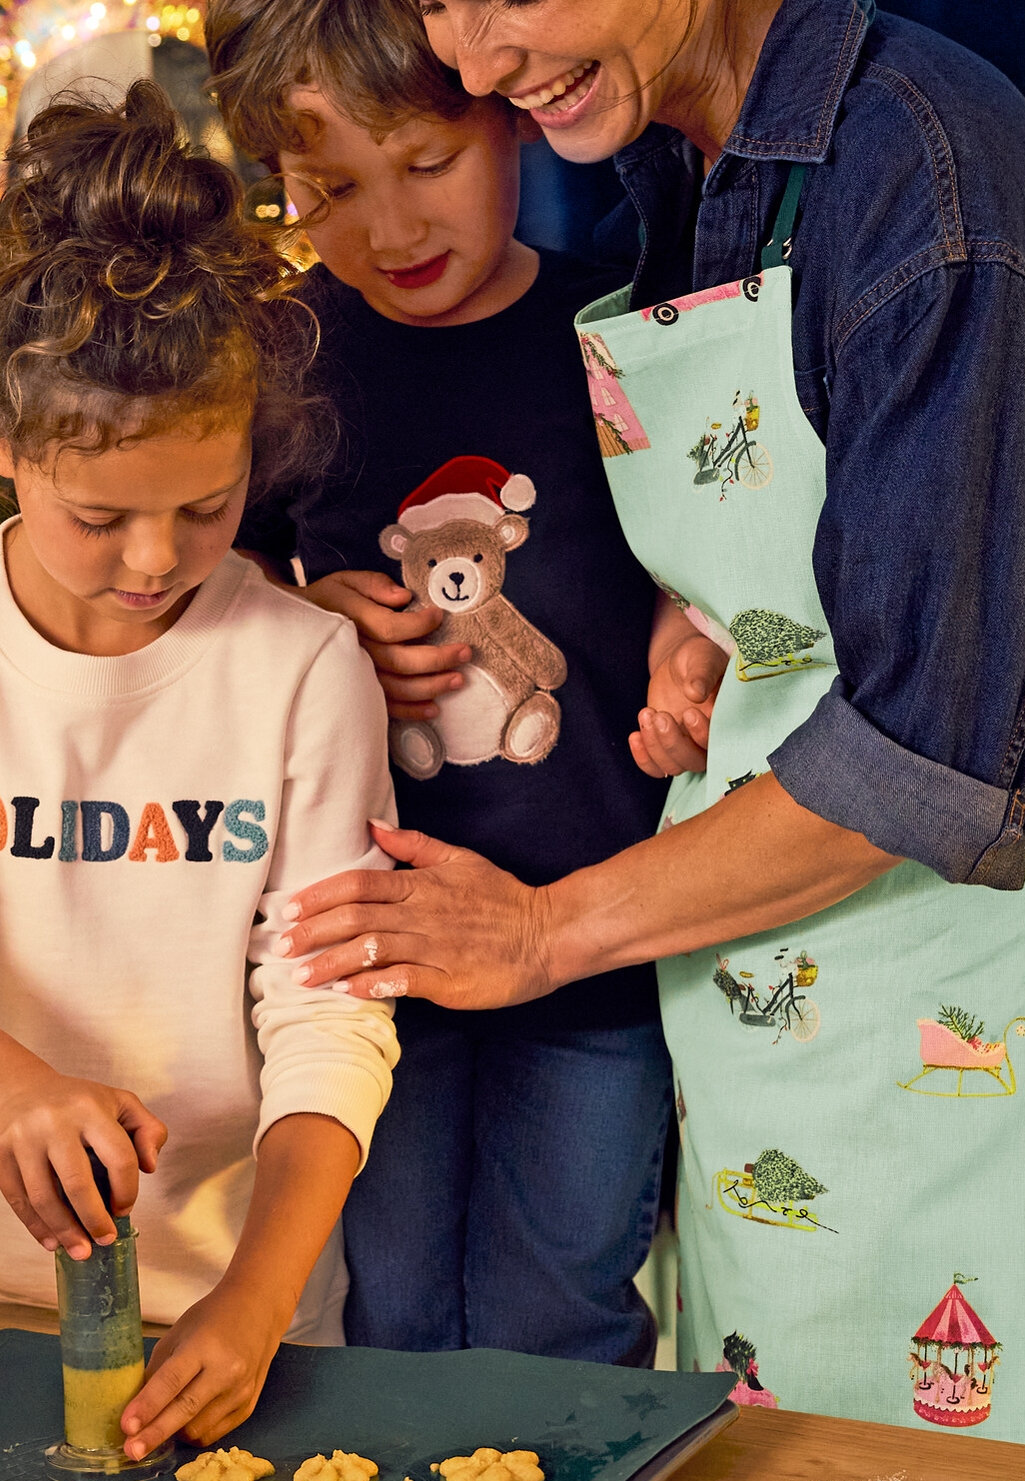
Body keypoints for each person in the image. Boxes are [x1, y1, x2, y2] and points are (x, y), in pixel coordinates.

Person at [281, 0, 1025, 1449]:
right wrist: (702, 619)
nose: (477, 58)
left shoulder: (920, 192)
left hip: (933, 1022)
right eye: (445, 5)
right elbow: (804, 567)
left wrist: (541, 934)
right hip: (752, 1013)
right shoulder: (704, 169)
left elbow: (921, 755)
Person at [0, 83, 399, 1459]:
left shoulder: (300, 667)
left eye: (207, 505)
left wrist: (255, 1299)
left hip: (245, 1327)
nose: (154, 560)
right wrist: (13, 1091)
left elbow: (329, 1022)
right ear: (1, 440)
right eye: (99, 515)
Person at [207, 0, 673, 1366]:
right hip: (366, 962)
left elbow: (719, 548)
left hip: (593, 946)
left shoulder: (618, 327)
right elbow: (196, 613)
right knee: (396, 1313)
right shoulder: (279, 360)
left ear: (511, 115)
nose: (392, 228)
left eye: (425, 162)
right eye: (330, 190)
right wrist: (301, 612)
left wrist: (688, 633)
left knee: (564, 1313)